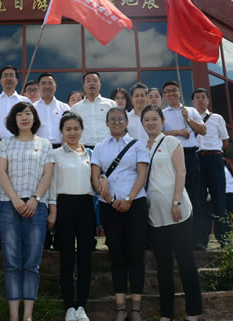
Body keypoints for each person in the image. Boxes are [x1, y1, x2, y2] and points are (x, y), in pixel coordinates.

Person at [142, 104, 203, 321]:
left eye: (154, 119)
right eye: (146, 120)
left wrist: (176, 200)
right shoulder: (141, 147)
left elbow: (181, 171)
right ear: (142, 123)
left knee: (186, 262)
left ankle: (193, 312)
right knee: (163, 266)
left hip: (177, 211)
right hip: (155, 215)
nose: (150, 123)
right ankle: (166, 314)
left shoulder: (171, 142)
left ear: (162, 121)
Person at [0, 102, 54, 321]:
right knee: (12, 261)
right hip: (8, 205)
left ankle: (27, 315)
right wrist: (15, 199)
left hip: (36, 205)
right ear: (14, 119)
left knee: (31, 262)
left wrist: (35, 198)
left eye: (28, 113)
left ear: (34, 118)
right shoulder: (5, 143)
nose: (24, 117)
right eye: (19, 114)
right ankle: (14, 315)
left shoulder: (45, 144)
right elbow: (1, 173)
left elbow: (48, 174)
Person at [91, 107, 149, 321]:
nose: (116, 122)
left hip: (135, 203)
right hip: (109, 206)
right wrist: (111, 200)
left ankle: (136, 308)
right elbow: (95, 177)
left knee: (136, 254)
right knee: (117, 255)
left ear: (126, 122)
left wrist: (129, 199)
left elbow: (142, 174)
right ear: (107, 123)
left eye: (120, 119)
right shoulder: (99, 147)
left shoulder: (138, 144)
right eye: (112, 119)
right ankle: (121, 308)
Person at [47, 112, 94, 321]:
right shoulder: (55, 154)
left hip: (86, 207)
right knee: (66, 257)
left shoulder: (90, 154)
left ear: (82, 130)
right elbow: (52, 184)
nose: (72, 132)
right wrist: (53, 210)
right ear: (62, 131)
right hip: (64, 206)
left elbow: (96, 181)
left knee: (85, 258)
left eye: (76, 129)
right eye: (68, 129)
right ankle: (69, 307)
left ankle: (81, 306)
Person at [161, 81, 207, 249]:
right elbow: (159, 133)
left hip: (190, 155)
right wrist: (178, 132)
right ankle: (177, 238)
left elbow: (203, 130)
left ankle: (197, 239)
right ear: (164, 96)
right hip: (171, 156)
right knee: (174, 196)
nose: (172, 94)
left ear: (179, 92)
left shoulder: (191, 110)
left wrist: (187, 118)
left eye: (174, 90)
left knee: (195, 196)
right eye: (168, 92)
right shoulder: (162, 113)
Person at [192, 87, 231, 246]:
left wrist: (216, 153)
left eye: (203, 97)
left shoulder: (217, 118)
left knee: (219, 198)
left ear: (208, 100)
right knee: (199, 201)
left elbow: (225, 141)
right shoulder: (189, 119)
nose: (200, 100)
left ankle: (223, 238)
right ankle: (202, 239)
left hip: (214, 159)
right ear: (193, 102)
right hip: (196, 160)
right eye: (197, 97)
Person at [71, 72, 117, 149]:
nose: (92, 83)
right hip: (83, 148)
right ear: (84, 86)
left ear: (100, 84)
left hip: (107, 146)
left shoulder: (111, 104)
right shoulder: (75, 108)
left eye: (95, 81)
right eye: (88, 81)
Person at [0, 65, 31, 140]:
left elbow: (30, 123)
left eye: (11, 75)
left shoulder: (25, 101)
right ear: (0, 81)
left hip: (21, 142)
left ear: (17, 80)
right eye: (5, 75)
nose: (8, 78)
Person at [34, 73, 71, 148]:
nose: (47, 86)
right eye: (43, 83)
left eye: (50, 83)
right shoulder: (32, 108)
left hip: (60, 147)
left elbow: (69, 129)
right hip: (38, 148)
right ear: (38, 87)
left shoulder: (65, 107)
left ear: (55, 86)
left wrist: (63, 148)